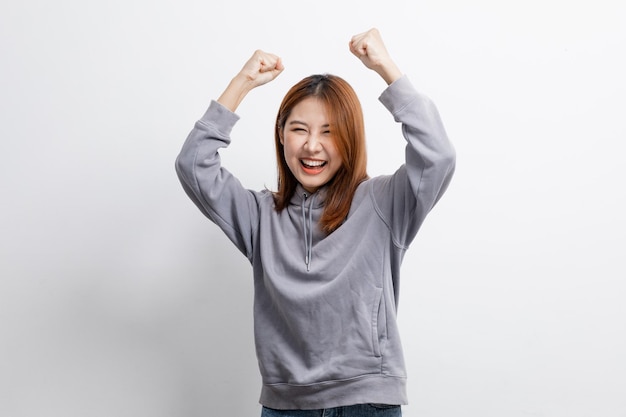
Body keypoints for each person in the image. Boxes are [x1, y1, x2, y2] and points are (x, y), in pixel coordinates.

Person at [175, 28, 456, 417]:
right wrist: (241, 84)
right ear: (281, 135)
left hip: (367, 403)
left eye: (330, 132)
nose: (312, 145)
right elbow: (193, 165)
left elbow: (438, 156)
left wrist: (386, 69)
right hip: (287, 408)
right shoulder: (259, 217)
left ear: (351, 139)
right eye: (299, 129)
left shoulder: (383, 203)